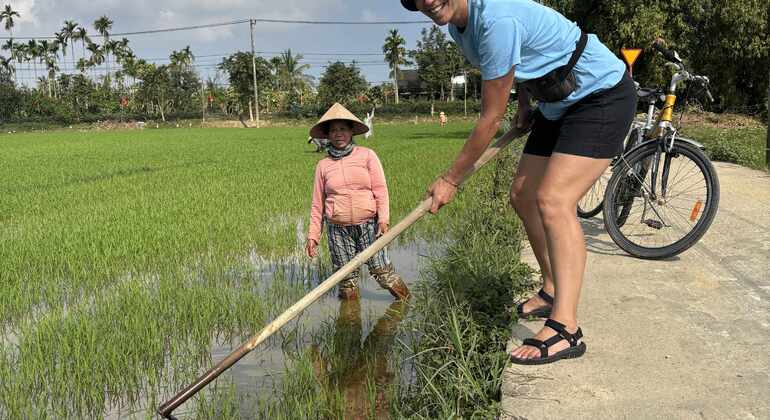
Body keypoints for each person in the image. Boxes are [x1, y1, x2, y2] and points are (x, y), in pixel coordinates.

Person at [400, 0, 637, 364]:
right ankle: (551, 289)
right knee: (523, 195)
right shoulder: (459, 29)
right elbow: (517, 63)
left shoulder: (496, 19)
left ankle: (566, 328)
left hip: (599, 96)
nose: (427, 1)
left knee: (554, 201)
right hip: (556, 104)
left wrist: (450, 179)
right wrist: (524, 104)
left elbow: (491, 117)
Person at [306, 103, 410, 300]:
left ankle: (406, 303)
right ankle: (350, 317)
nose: (338, 134)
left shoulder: (367, 156)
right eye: (333, 130)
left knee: (383, 272)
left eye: (343, 129)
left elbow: (380, 190)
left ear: (351, 131)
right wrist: (313, 236)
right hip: (338, 231)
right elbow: (317, 204)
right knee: (346, 280)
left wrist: (383, 220)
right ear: (327, 135)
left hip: (369, 226)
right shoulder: (323, 165)